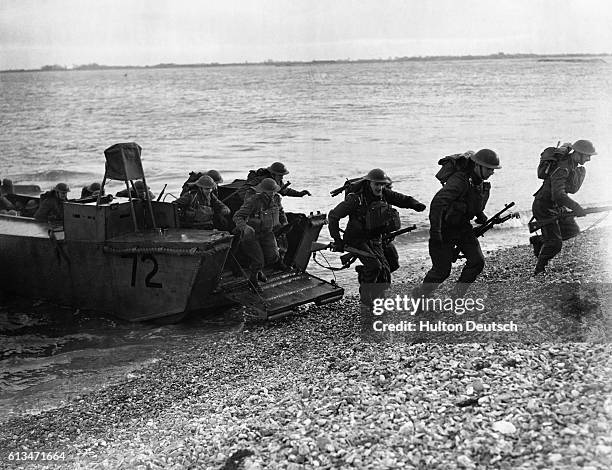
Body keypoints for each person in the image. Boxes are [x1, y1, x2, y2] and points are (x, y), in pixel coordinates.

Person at [328, 168, 426, 305]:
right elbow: (333, 216)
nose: (380, 187)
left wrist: (415, 204)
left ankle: (372, 286)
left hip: (375, 237)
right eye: (377, 184)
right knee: (375, 266)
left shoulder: (384, 194)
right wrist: (337, 240)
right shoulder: (356, 199)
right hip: (356, 239)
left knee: (388, 267)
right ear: (369, 183)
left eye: (382, 184)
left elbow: (402, 199)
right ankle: (367, 298)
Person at [414, 149, 501, 298]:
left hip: (463, 227)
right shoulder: (460, 180)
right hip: (445, 228)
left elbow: (471, 202)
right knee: (441, 271)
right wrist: (436, 232)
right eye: (489, 168)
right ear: (477, 166)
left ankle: (457, 296)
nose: (491, 172)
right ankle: (421, 295)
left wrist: (480, 214)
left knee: (477, 262)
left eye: (493, 169)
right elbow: (437, 203)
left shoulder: (478, 182)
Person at [530, 139, 597, 275]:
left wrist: (573, 207)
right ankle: (539, 270)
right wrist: (576, 207)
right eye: (587, 155)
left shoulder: (572, 164)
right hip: (544, 206)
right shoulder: (563, 167)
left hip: (555, 205)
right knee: (555, 244)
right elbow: (558, 195)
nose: (589, 159)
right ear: (578, 153)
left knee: (572, 230)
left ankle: (540, 241)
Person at [232, 177, 289, 291]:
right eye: (270, 191)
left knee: (273, 257)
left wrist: (284, 222)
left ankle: (258, 271)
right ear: (263, 191)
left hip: (267, 233)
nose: (272, 193)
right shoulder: (254, 200)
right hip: (252, 234)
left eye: (274, 191)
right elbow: (237, 216)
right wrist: (245, 227)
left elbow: (281, 211)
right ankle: (253, 282)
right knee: (258, 260)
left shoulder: (277, 199)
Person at [241, 162, 311, 201]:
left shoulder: (277, 181)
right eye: (280, 175)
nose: (282, 177)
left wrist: (300, 194)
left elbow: (284, 191)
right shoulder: (261, 180)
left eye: (282, 175)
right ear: (273, 174)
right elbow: (244, 190)